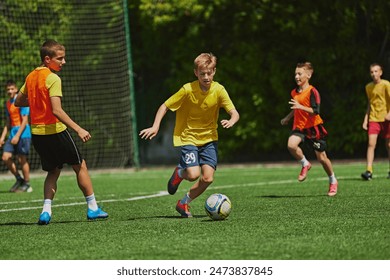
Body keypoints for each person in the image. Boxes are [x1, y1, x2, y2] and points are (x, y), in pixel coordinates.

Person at [15, 39, 108, 225]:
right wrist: (79, 129)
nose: (64, 62)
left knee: (53, 171)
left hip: (38, 134)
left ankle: (46, 212)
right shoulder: (53, 78)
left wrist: (37, 104)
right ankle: (93, 208)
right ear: (48, 59)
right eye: (60, 59)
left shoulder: (31, 77)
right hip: (56, 131)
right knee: (80, 166)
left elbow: (18, 101)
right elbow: (57, 111)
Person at [139, 53, 239, 218]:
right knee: (193, 175)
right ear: (196, 73)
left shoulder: (219, 90)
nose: (206, 77)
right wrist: (155, 126)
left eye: (209, 73)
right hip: (188, 137)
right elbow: (165, 106)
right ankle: (180, 173)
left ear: (214, 71)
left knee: (207, 179)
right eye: (202, 74)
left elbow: (234, 112)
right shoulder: (187, 89)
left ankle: (183, 202)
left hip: (209, 140)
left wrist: (232, 121)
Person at [281, 61, 338, 196]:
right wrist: (288, 117)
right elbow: (296, 109)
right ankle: (305, 163)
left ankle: (333, 180)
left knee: (322, 158)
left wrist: (300, 107)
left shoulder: (313, 91)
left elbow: (315, 110)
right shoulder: (294, 92)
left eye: (299, 74)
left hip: (314, 129)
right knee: (291, 145)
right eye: (295, 74)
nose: (296, 76)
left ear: (308, 75)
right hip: (300, 128)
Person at [0, 80, 32, 192]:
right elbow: (8, 122)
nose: (10, 91)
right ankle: (19, 179)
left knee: (21, 159)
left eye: (12, 88)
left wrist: (17, 136)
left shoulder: (21, 100)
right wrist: (2, 137)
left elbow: (25, 121)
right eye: (8, 89)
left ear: (16, 89)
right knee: (5, 157)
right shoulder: (8, 103)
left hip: (23, 134)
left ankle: (27, 183)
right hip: (12, 133)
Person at [361, 63, 390, 180]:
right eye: (372, 72)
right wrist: (365, 119)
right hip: (374, 118)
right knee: (371, 144)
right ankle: (369, 170)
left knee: (389, 145)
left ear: (381, 72)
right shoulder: (368, 87)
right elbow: (370, 103)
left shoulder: (386, 84)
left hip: (386, 119)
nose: (374, 74)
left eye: (376, 71)